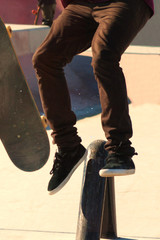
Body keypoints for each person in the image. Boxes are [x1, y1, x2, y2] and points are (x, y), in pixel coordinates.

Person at [32, 0, 154, 195]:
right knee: (45, 58)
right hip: (82, 4)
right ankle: (68, 146)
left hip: (125, 3)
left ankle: (119, 147)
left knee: (103, 56)